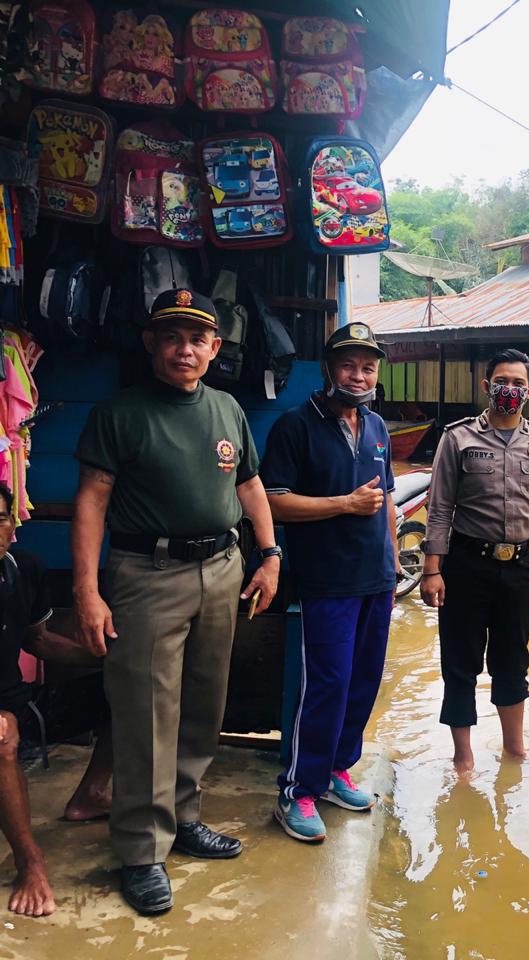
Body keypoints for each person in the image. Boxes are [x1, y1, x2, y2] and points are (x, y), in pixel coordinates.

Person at [70, 289, 280, 916]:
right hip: (148, 573)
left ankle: (183, 816)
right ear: (151, 343)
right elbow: (92, 501)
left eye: (196, 339)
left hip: (222, 567)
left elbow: (249, 485)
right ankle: (141, 850)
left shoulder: (227, 408)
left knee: (202, 702)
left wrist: (269, 555)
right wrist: (86, 590)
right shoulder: (121, 413)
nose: (184, 350)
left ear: (215, 348)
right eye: (171, 337)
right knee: (146, 711)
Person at [259, 322, 398, 843]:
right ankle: (298, 790)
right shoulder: (296, 426)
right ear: (327, 369)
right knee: (326, 686)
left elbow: (386, 499)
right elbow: (272, 502)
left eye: (368, 368)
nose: (358, 376)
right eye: (348, 365)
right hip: (326, 581)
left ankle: (338, 771)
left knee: (362, 682)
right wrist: (344, 504)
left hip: (375, 579)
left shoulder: (378, 427)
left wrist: (393, 564)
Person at [420, 347, 529, 772]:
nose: (510, 389)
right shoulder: (458, 438)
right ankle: (463, 759)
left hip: (519, 568)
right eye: (502, 381)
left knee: (512, 660)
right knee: (460, 662)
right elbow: (440, 508)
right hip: (466, 566)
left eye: (518, 383)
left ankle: (514, 749)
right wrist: (432, 570)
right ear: (487, 386)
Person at [0, 481, 112, 917]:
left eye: (1, 518)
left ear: (12, 526)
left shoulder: (23, 568)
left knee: (126, 688)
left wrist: (107, 659)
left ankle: (91, 795)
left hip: (20, 702)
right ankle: (30, 863)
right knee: (2, 737)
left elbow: (39, 641)